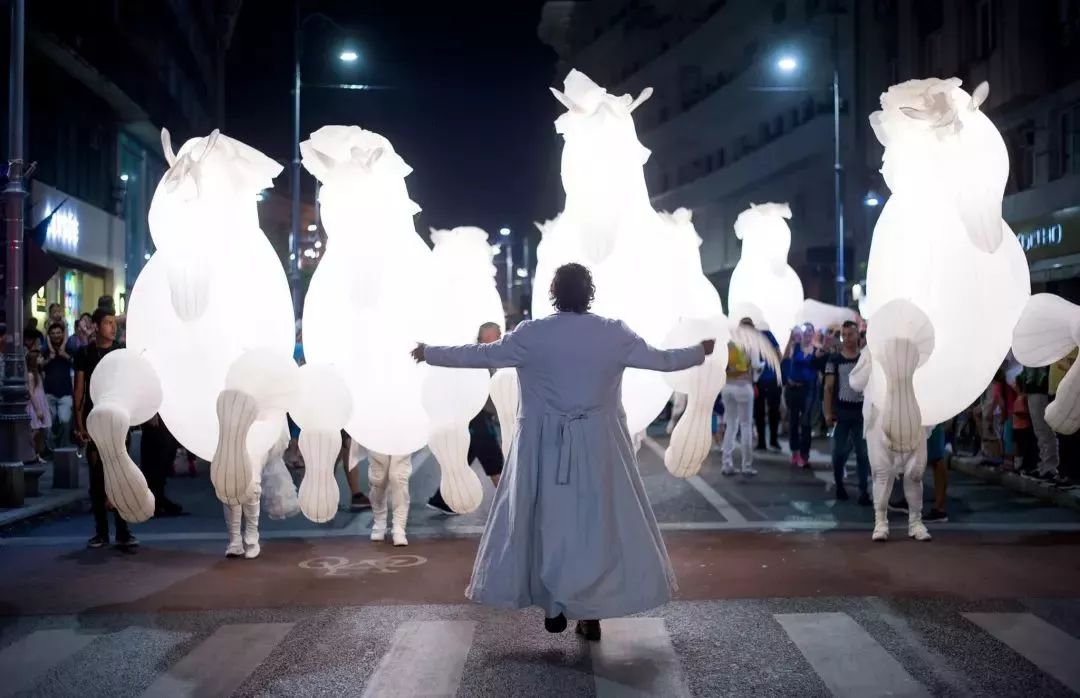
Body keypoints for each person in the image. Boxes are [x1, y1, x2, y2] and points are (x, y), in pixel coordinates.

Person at [411, 263, 712, 642]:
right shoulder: (612, 333)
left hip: (543, 444)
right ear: (589, 293)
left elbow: (480, 355)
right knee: (596, 527)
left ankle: (554, 603)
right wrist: (699, 351)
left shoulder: (533, 334)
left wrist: (430, 352)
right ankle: (591, 611)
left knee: (546, 523)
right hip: (601, 445)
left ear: (553, 293)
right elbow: (662, 360)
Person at [74, 308, 138, 550]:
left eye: (114, 322)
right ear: (97, 326)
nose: (113, 327)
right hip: (94, 419)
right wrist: (79, 424)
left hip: (120, 419)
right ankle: (101, 532)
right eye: (108, 323)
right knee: (98, 478)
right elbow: (79, 389)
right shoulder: (85, 353)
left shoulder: (120, 353)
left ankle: (123, 531)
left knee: (120, 476)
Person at [428, 321, 506, 515]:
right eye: (485, 340)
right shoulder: (473, 360)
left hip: (480, 416)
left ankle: (442, 500)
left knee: (467, 455)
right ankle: (508, 501)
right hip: (475, 416)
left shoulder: (501, 359)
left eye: (493, 339)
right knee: (493, 457)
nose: (489, 344)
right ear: (479, 340)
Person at [824, 321, 871, 505]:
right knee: (838, 452)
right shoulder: (834, 360)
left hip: (862, 413)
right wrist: (828, 412)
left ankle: (863, 491)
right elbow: (828, 387)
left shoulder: (865, 359)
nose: (847, 339)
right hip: (841, 413)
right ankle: (839, 485)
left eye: (850, 334)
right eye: (844, 335)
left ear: (858, 335)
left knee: (862, 453)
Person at [720, 319, 757, 476]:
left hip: (727, 387)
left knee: (731, 425)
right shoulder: (751, 346)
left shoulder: (729, 344)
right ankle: (746, 466)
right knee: (746, 425)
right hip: (743, 386)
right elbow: (756, 366)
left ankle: (726, 463)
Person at [783, 325, 819, 468]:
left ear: (813, 334)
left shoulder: (817, 351)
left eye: (810, 331)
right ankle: (795, 452)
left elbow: (819, 370)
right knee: (793, 421)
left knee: (806, 422)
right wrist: (790, 339)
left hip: (808, 390)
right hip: (793, 389)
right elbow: (785, 358)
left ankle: (804, 455)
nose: (808, 334)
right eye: (805, 331)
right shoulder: (795, 347)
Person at [141, 414, 184, 516]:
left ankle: (158, 498)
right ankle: (155, 501)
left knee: (165, 457)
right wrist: (151, 414)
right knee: (155, 460)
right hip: (155, 419)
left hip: (164, 419)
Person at [42, 322, 74, 451]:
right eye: (53, 333)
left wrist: (65, 355)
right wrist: (49, 358)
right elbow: (39, 365)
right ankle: (51, 450)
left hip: (65, 393)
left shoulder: (69, 348)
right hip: (49, 392)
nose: (56, 335)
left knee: (65, 422)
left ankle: (62, 450)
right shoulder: (45, 350)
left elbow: (76, 363)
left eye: (58, 333)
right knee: (48, 424)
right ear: (49, 335)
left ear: (62, 334)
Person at [753, 328, 782, 451]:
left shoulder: (767, 333)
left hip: (772, 378)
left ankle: (773, 440)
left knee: (773, 410)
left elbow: (778, 354)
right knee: (759, 411)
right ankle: (762, 442)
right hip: (757, 379)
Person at [25, 350, 51, 462]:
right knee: (35, 430)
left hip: (41, 402)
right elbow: (31, 392)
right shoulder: (30, 375)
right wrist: (38, 409)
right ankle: (29, 452)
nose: (41, 359)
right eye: (39, 357)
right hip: (35, 405)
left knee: (40, 431)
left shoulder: (38, 373)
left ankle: (37, 454)